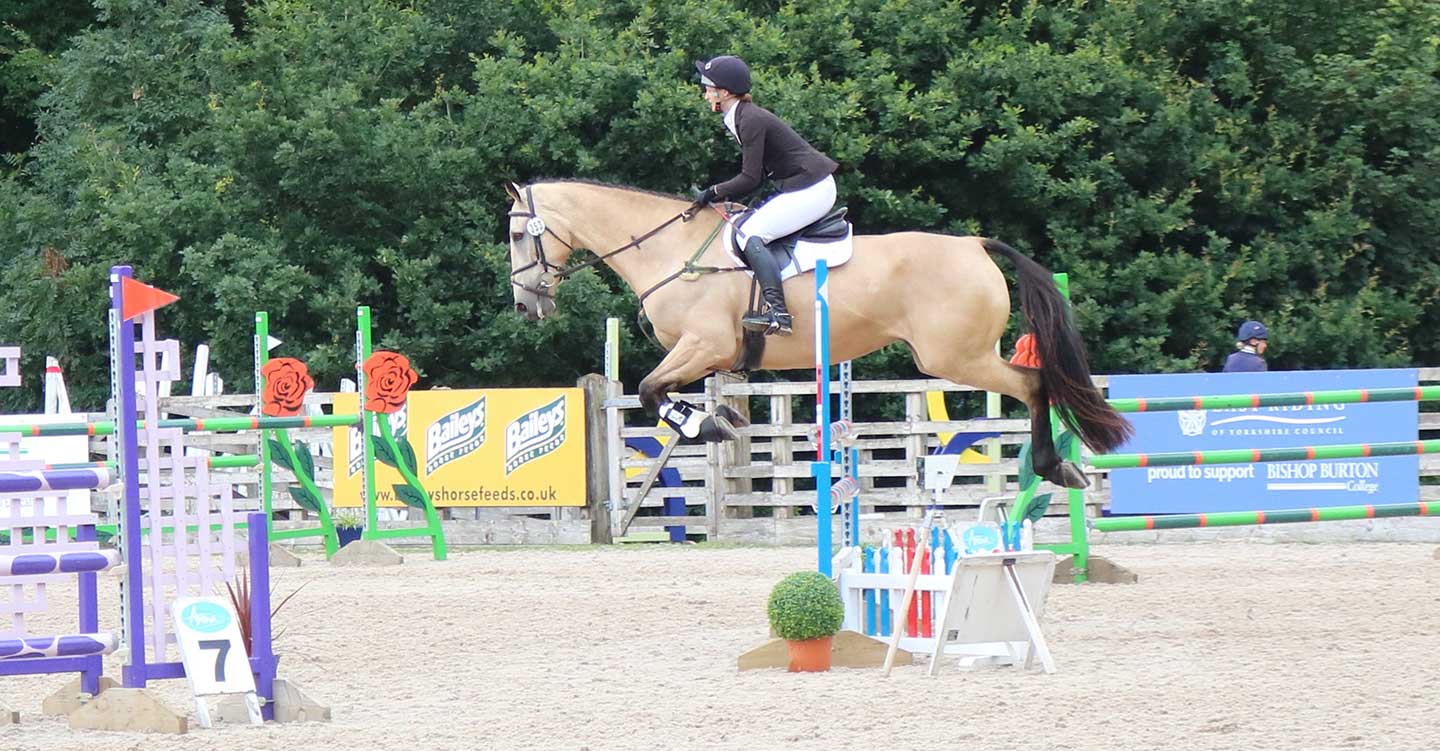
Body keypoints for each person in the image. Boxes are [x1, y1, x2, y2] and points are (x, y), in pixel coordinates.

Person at [692, 55, 839, 336]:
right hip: (800, 185)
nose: (705, 92)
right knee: (749, 227)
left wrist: (712, 192)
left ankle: (779, 314)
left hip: (813, 188)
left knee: (750, 235)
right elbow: (758, 175)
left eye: (708, 87)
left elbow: (749, 178)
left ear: (724, 92)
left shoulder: (749, 119)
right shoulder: (739, 116)